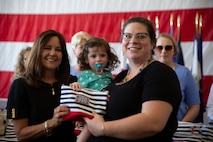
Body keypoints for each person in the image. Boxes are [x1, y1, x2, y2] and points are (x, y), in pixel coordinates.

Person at [83, 16, 182, 141]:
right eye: (127, 36)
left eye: (141, 36)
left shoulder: (160, 73)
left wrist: (102, 128)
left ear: (152, 43)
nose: (133, 40)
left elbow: (152, 123)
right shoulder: (121, 76)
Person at [6, 30, 77, 142]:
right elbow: (21, 134)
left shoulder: (72, 82)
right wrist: (51, 123)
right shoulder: (20, 85)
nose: (53, 53)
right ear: (37, 51)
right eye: (47, 48)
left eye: (58, 49)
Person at [70, 37, 120, 142]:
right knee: (89, 127)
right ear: (86, 59)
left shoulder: (108, 74)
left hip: (107, 108)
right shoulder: (85, 74)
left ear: (108, 58)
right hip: (93, 108)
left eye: (102, 55)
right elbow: (80, 91)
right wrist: (76, 85)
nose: (98, 59)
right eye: (93, 56)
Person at [154, 33, 200, 122]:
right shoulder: (146, 72)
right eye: (160, 47)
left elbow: (194, 106)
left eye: (168, 47)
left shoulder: (185, 73)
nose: (163, 51)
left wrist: (180, 126)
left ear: (174, 50)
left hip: (178, 130)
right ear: (154, 50)